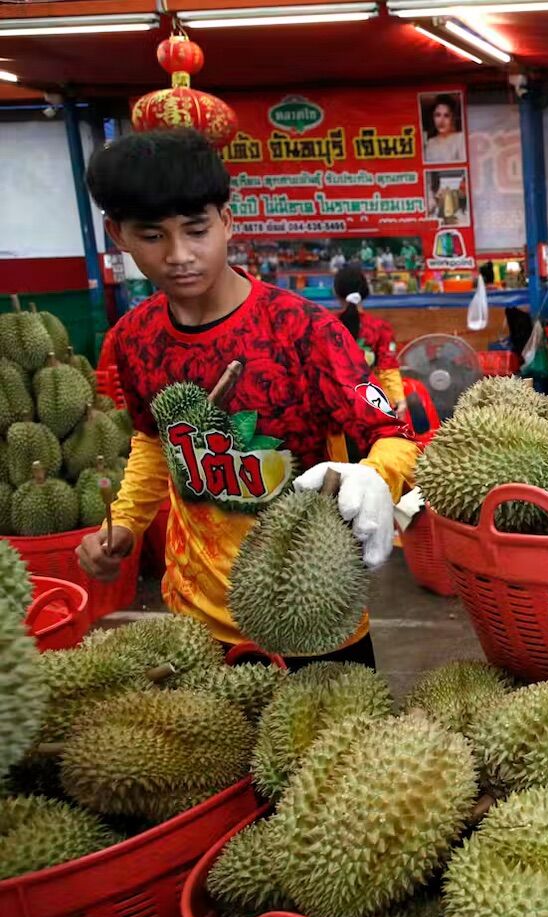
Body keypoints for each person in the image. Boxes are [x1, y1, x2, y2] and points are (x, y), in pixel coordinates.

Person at [77, 129, 418, 668]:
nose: (179, 255)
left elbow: (392, 432)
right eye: (152, 236)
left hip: (316, 615)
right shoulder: (132, 338)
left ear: (227, 220)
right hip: (196, 618)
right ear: (118, 234)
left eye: (196, 230)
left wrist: (377, 474)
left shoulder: (307, 331)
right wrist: (125, 522)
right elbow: (153, 440)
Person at [333, 264, 407, 423]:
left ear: (336, 292)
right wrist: (399, 400)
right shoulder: (380, 328)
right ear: (365, 291)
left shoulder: (326, 326)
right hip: (372, 411)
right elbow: (387, 369)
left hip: (335, 411)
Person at [423, 94, 466, 164]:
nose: (441, 120)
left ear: (452, 118)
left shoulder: (460, 138)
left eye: (446, 115)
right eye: (437, 115)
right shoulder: (430, 143)